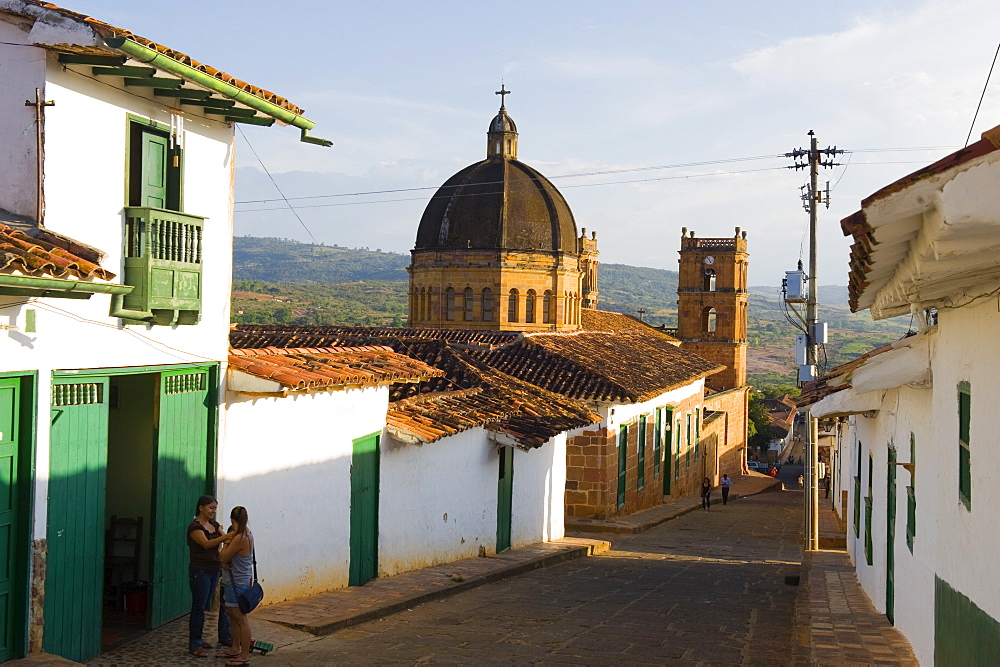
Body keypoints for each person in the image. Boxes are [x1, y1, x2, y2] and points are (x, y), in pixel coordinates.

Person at [188, 495, 232, 658]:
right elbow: (206, 544)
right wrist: (225, 537)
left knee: (205, 604)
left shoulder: (214, 524)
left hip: (214, 570)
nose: (213, 511)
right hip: (200, 571)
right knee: (198, 606)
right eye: (211, 508)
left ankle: (200, 639)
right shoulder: (195, 528)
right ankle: (195, 643)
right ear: (201, 508)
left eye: (215, 508)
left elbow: (224, 539)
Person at [220, 506, 255, 666]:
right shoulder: (248, 533)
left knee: (240, 619)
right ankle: (235, 648)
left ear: (232, 520)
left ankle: (244, 655)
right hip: (240, 580)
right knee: (233, 617)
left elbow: (223, 557)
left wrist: (226, 541)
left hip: (236, 583)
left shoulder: (239, 537)